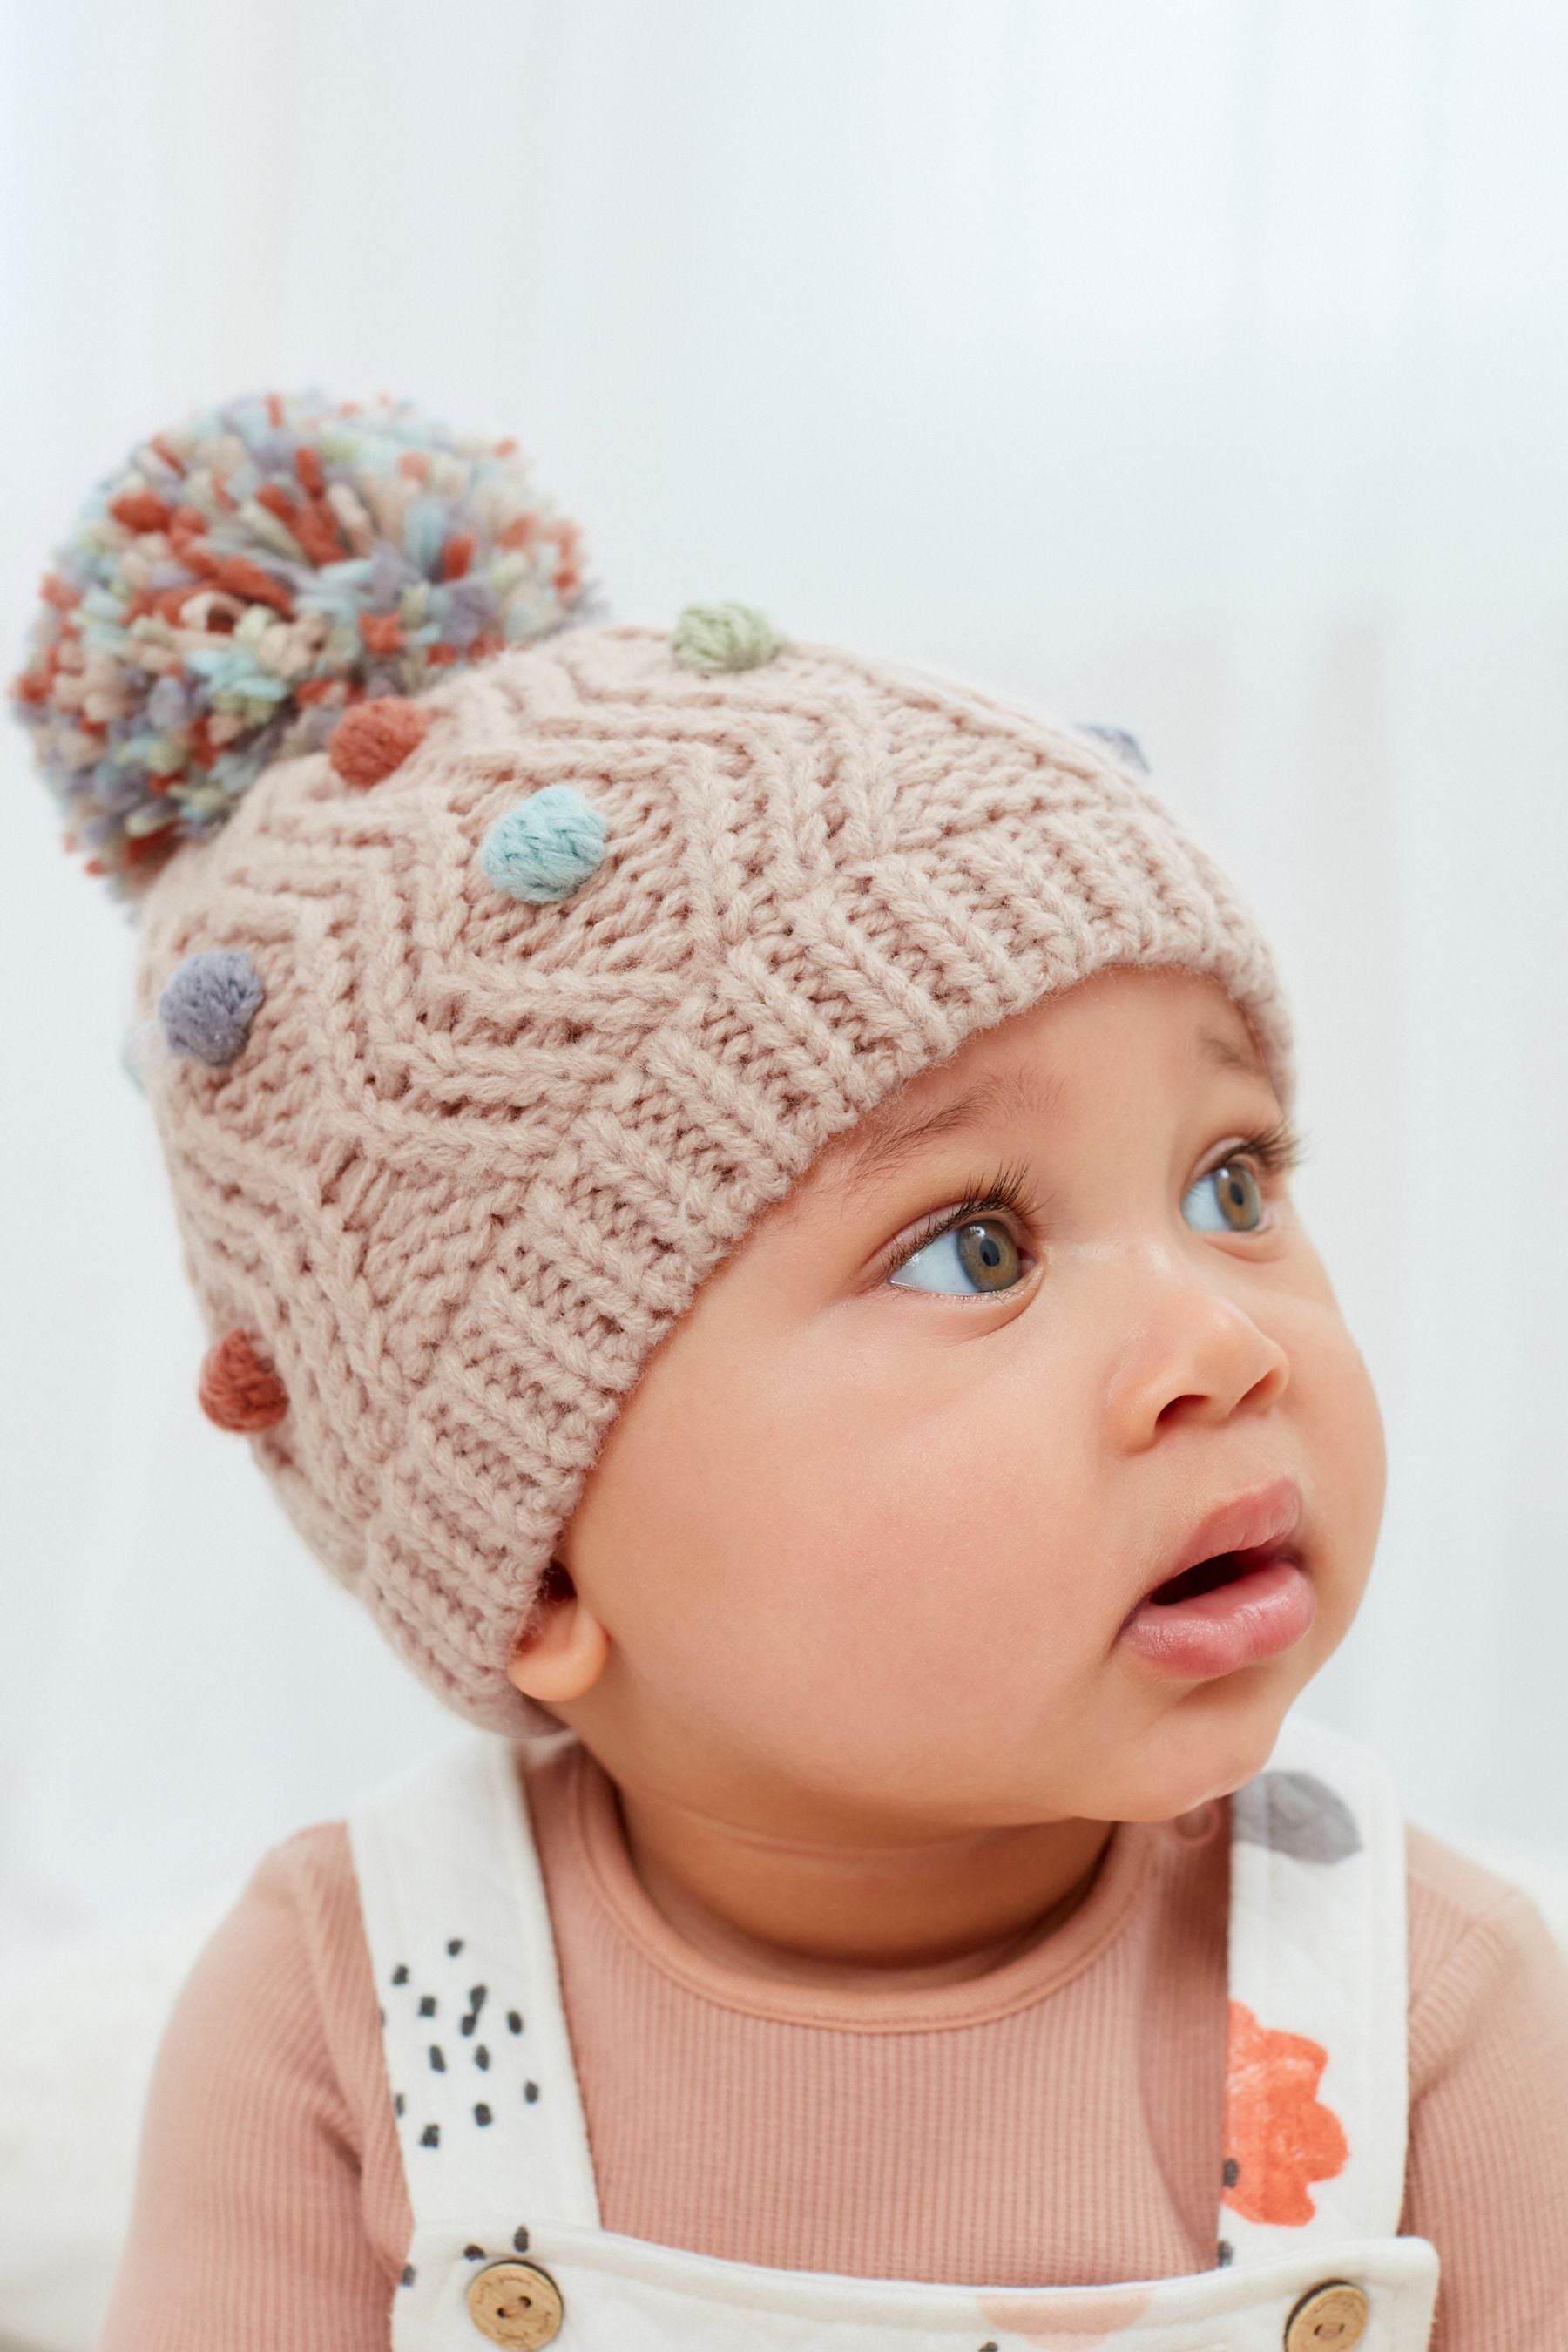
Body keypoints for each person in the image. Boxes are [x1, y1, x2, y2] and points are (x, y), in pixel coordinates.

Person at [12, 390, 1567, 2351]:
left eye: (1232, 1179)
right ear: (544, 1564)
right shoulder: (357, 2012)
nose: (1223, 1344)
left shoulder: (1413, 2003)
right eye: (974, 1245)